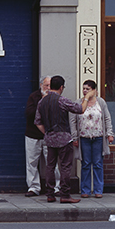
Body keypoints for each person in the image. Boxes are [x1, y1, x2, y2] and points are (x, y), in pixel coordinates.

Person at [34, 75, 84, 204]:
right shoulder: (62, 100)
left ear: (50, 86)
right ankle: (65, 195)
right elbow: (80, 109)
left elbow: (38, 122)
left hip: (50, 139)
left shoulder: (42, 102)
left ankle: (50, 194)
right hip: (64, 139)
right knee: (65, 167)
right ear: (61, 87)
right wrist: (88, 97)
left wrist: (48, 133)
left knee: (50, 166)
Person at [70, 79, 115, 198]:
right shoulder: (78, 103)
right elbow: (73, 121)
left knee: (98, 163)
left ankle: (98, 190)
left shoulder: (101, 102)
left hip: (98, 137)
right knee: (85, 164)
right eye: (83, 88)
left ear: (94, 90)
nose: (84, 91)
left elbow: (107, 118)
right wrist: (74, 137)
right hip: (84, 137)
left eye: (87, 89)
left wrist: (109, 133)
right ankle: (85, 190)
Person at [24, 76, 50, 196]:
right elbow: (29, 114)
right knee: (32, 162)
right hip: (33, 135)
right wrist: (42, 101)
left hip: (49, 135)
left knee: (52, 162)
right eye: (46, 85)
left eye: (50, 85)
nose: (49, 88)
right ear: (41, 85)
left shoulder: (54, 98)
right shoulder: (34, 97)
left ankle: (55, 187)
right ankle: (34, 187)